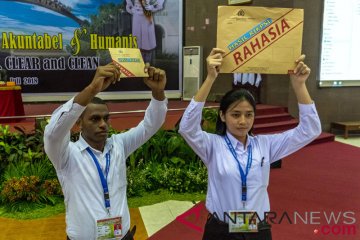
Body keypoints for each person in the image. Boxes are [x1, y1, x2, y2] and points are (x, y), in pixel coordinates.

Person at [179, 48, 322, 240]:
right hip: (221, 231)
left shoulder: (265, 145)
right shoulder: (212, 145)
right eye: (235, 114)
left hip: (256, 229)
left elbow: (310, 129)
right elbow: (187, 127)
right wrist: (210, 78)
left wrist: (299, 85)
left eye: (249, 115)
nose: (243, 122)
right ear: (222, 115)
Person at [44, 63, 167, 240]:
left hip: (122, 236)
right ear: (78, 123)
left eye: (106, 118)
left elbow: (151, 125)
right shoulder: (66, 155)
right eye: (95, 119)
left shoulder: (118, 145)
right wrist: (92, 89)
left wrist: (158, 93)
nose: (103, 124)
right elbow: (52, 133)